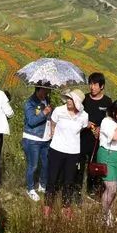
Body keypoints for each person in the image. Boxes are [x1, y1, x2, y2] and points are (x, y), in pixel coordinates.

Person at [44, 88, 88, 219]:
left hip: (73, 152)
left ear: (77, 102)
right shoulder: (59, 110)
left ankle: (66, 206)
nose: (68, 101)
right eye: (68, 98)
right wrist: (53, 136)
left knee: (69, 181)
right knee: (52, 179)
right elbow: (52, 124)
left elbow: (82, 128)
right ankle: (47, 206)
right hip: (56, 149)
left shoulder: (84, 116)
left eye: (72, 99)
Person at [78, 72, 113, 201]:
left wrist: (101, 128)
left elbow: (111, 120)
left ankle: (92, 191)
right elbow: (76, 115)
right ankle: (77, 189)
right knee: (79, 165)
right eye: (90, 84)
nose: (92, 87)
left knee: (95, 166)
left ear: (102, 86)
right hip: (82, 138)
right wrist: (85, 123)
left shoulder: (107, 101)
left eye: (95, 84)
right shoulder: (84, 99)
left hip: (98, 140)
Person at [98, 99, 117, 225]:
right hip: (107, 156)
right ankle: (103, 215)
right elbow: (115, 137)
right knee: (111, 188)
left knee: (114, 187)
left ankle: (108, 212)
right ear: (113, 111)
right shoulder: (106, 122)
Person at [22, 85, 52, 201]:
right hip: (32, 139)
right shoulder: (30, 103)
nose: (47, 92)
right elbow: (31, 121)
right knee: (33, 165)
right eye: (45, 90)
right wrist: (44, 112)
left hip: (45, 139)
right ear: (38, 89)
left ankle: (42, 185)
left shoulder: (47, 100)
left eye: (48, 90)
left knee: (46, 164)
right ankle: (30, 189)